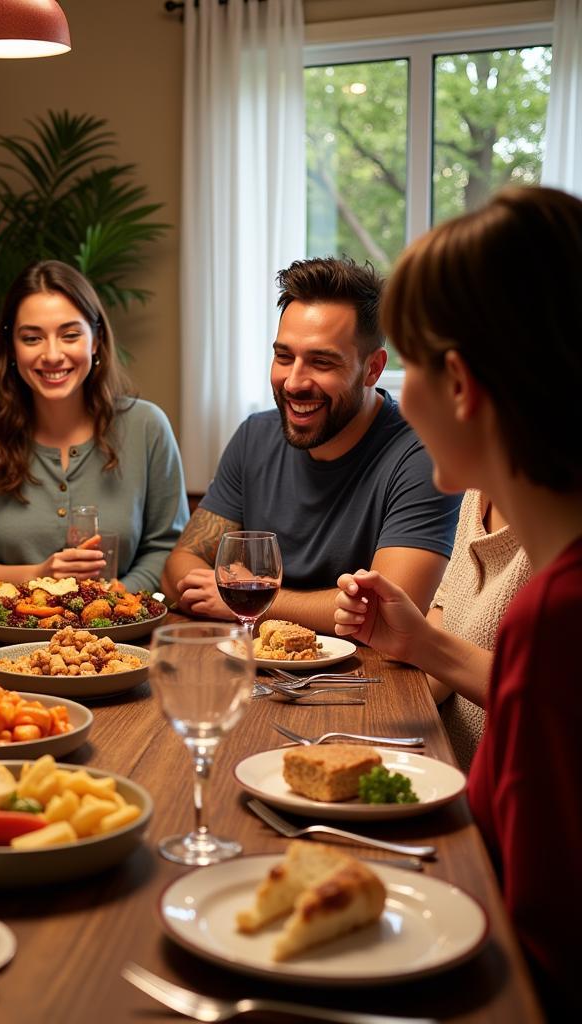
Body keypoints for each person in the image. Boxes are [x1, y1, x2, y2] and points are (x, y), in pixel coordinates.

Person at [335, 186, 581, 1016]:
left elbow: (542, 954)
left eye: (403, 366)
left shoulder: (561, 615)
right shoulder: (502, 523)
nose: (398, 398)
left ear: (462, 384)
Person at [162, 256, 460, 634]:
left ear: (373, 369)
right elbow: (180, 565)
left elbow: (390, 614)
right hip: (258, 666)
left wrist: (247, 596)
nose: (293, 382)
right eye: (284, 357)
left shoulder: (422, 455)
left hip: (368, 682)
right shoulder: (255, 435)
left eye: (321, 362)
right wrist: (238, 594)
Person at [0, 260, 188, 595]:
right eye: (32, 337)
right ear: (11, 347)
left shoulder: (148, 426)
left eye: (70, 335)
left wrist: (115, 598)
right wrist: (39, 576)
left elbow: (167, 549)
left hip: (117, 634)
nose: (52, 355)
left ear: (95, 341)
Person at [335, 489, 531, 771]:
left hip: (515, 803)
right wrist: (368, 715)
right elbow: (445, 622)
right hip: (449, 777)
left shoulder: (562, 522)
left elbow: (555, 700)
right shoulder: (476, 494)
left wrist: (421, 644)